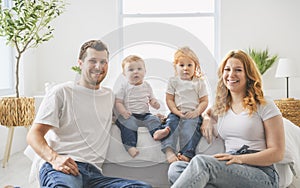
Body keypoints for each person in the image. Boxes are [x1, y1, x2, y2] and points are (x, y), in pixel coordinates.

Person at [26, 40, 152, 188]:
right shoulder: (62, 92)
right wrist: (54, 159)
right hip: (64, 169)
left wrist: (157, 117)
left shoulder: (109, 96)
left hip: (94, 175)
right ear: (80, 63)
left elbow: (133, 112)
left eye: (103, 62)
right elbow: (33, 134)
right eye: (92, 61)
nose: (99, 67)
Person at [168, 49, 285, 188]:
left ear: (248, 75)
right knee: (176, 168)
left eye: (238, 70)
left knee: (201, 163)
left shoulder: (264, 104)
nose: (231, 75)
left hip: (261, 174)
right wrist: (206, 119)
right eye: (227, 69)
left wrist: (239, 159)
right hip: (230, 168)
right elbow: (208, 113)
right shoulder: (222, 106)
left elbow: (277, 153)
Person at [114, 55, 170, 158]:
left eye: (139, 69)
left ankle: (157, 132)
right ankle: (130, 146)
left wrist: (154, 103)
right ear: (124, 74)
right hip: (130, 115)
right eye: (131, 70)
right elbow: (118, 102)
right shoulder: (124, 86)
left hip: (145, 115)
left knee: (153, 119)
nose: (136, 72)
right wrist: (123, 112)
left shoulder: (147, 85)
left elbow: (151, 98)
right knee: (127, 124)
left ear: (145, 71)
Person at [161, 47, 209, 163]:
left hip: (192, 113)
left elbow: (204, 101)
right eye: (182, 65)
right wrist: (176, 111)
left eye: (189, 65)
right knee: (170, 125)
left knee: (191, 129)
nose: (185, 68)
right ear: (175, 67)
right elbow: (169, 99)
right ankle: (169, 150)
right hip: (176, 112)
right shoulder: (173, 81)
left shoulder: (199, 82)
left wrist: (197, 112)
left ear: (195, 67)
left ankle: (187, 154)